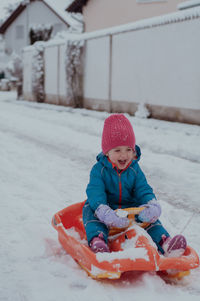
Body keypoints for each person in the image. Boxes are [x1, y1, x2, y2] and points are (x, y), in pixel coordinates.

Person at [83, 114, 186, 256]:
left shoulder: (134, 169)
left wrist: (151, 204)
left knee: (151, 222)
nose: (124, 155)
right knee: (90, 211)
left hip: (129, 212)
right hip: (107, 210)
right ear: (107, 152)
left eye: (128, 150)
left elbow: (143, 188)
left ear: (133, 151)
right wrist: (104, 210)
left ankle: (166, 243)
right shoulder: (99, 170)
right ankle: (98, 240)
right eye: (117, 150)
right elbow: (95, 191)